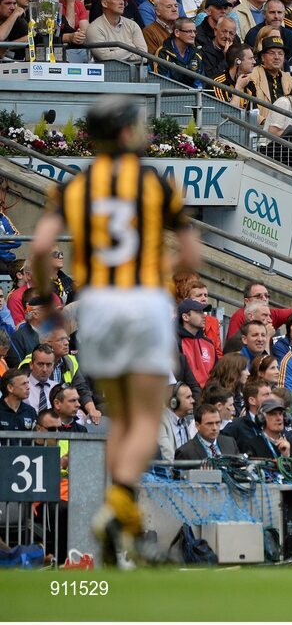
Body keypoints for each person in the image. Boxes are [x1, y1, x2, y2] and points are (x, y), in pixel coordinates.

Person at [29, 97, 198, 567]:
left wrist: (47, 306)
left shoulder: (75, 186)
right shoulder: (153, 182)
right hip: (142, 302)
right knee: (146, 418)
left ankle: (117, 515)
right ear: (126, 133)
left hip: (99, 305)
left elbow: (41, 247)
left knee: (120, 420)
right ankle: (117, 505)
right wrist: (159, 268)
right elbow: (191, 256)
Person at [175, 403, 240, 459]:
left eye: (217, 423)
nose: (215, 428)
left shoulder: (230, 443)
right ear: (197, 425)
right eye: (209, 424)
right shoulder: (185, 452)